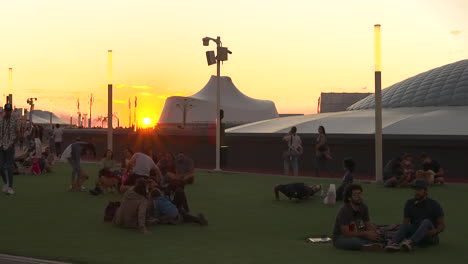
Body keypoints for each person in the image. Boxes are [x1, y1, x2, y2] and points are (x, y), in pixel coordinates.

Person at [385, 179, 445, 252]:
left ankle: (410, 242)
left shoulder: (434, 204)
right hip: (416, 232)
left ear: (425, 191)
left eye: (419, 190)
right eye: (415, 189)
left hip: (430, 236)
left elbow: (442, 225)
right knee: (405, 225)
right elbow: (405, 223)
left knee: (426, 221)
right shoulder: (409, 203)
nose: (416, 192)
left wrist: (434, 231)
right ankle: (393, 243)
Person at [332, 184, 382, 251]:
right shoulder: (344, 211)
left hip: (358, 232)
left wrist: (374, 233)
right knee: (355, 241)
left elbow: (367, 225)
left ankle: (371, 244)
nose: (359, 197)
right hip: (341, 237)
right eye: (356, 195)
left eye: (360, 194)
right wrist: (366, 234)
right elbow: (346, 233)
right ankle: (366, 246)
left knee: (375, 236)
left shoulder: (364, 207)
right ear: (349, 198)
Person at [0, 104, 19, 195]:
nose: (8, 112)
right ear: (4, 110)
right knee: (1, 166)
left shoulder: (14, 119)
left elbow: (18, 131)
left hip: (10, 144)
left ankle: (10, 187)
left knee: (9, 166)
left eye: (9, 111)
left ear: (11, 111)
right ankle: (5, 183)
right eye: (6, 110)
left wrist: (14, 142)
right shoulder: (1, 119)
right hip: (2, 144)